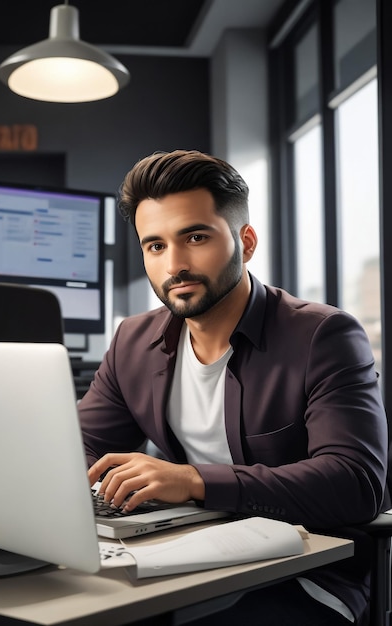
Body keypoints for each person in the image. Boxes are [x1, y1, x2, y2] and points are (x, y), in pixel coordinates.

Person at [79, 149, 388, 625]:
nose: (174, 265)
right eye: (155, 246)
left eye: (195, 237)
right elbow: (80, 451)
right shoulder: (132, 342)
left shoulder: (323, 336)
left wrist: (194, 481)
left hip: (308, 570)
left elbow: (355, 482)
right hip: (186, 556)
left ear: (245, 241)